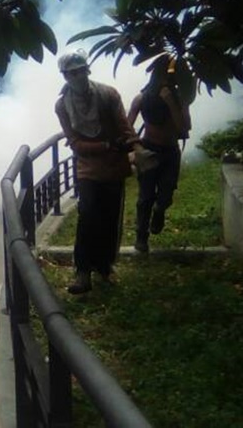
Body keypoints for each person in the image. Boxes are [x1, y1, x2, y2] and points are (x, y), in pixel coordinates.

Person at [53, 51, 139, 294]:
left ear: (87, 70)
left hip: (113, 167)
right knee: (87, 216)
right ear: (65, 76)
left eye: (81, 70)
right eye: (72, 73)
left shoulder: (108, 94)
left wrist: (134, 145)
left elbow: (124, 126)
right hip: (87, 168)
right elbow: (75, 142)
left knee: (110, 218)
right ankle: (83, 272)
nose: (78, 76)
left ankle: (105, 266)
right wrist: (106, 145)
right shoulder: (62, 105)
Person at [127, 56, 192, 254]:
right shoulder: (141, 98)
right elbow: (127, 126)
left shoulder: (179, 98)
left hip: (170, 151)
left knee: (166, 194)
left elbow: (185, 127)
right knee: (145, 197)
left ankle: (160, 211)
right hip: (148, 150)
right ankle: (141, 236)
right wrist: (135, 149)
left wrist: (171, 102)